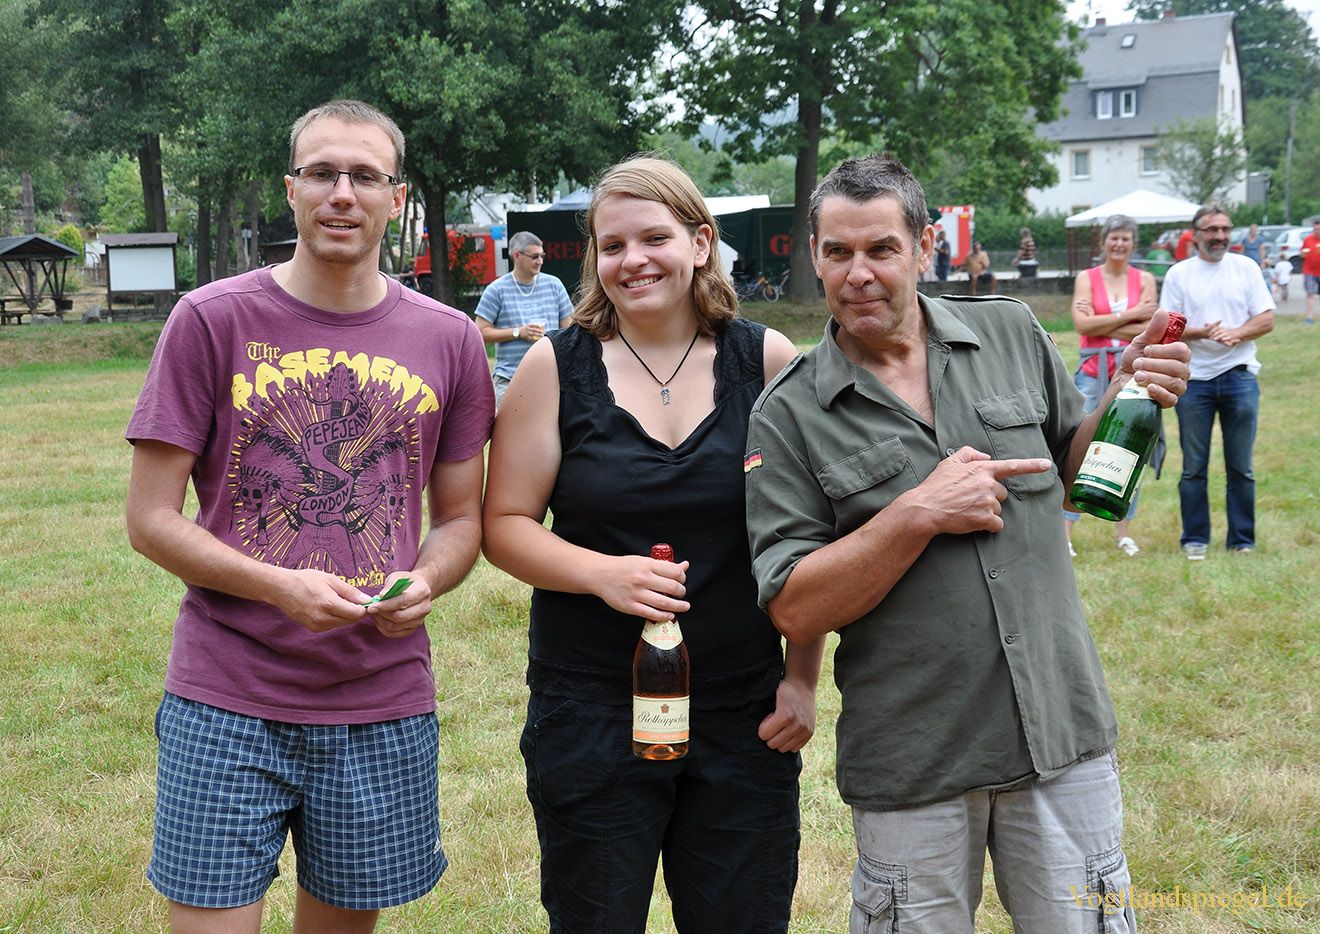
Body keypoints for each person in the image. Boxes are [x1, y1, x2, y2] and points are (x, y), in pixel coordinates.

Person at [743, 154, 1190, 934]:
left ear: (924, 247)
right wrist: (916, 512)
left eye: (881, 249)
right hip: (917, 755)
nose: (858, 273)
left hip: (1058, 730)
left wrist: (1125, 394)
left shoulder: (1010, 330)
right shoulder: (787, 413)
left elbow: (1073, 476)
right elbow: (794, 607)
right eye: (837, 252)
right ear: (813, 255)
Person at [124, 100, 495, 932]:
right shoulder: (210, 320)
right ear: (290, 190)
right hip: (225, 694)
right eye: (322, 172)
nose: (342, 193)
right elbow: (150, 519)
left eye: (365, 176)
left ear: (397, 198)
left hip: (380, 698)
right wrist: (276, 587)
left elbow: (461, 520)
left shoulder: (450, 340)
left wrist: (426, 580)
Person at [483, 155, 822, 933]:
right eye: (612, 245)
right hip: (591, 711)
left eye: (653, 238)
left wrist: (802, 680)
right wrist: (601, 574)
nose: (632, 260)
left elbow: (806, 537)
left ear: (700, 243)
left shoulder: (767, 360)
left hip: (742, 710)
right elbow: (504, 526)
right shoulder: (555, 366)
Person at [1160, 204, 1275, 558]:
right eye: (1212, 230)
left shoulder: (1246, 267)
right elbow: (1168, 328)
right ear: (1196, 235)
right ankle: (1195, 538)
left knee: (1241, 466)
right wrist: (1202, 332)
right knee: (1193, 467)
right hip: (1193, 380)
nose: (1220, 236)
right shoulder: (1179, 274)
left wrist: (1237, 333)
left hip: (1239, 376)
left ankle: (1242, 540)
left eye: (1225, 229)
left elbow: (1266, 318)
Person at [1064, 214, 1159, 557]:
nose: (1119, 244)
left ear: (1133, 243)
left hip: (1136, 375)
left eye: (1125, 238)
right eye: (1114, 238)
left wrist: (1102, 323)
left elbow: (1150, 328)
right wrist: (1130, 316)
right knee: (1080, 446)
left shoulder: (1145, 279)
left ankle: (1123, 533)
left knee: (1132, 447)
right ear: (1103, 242)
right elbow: (1081, 324)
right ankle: (1066, 535)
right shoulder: (1087, 278)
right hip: (1093, 371)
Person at [475, 231, 574, 406]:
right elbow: (479, 333)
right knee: (509, 425)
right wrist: (518, 333)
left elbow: (570, 330)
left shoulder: (554, 285)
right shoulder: (496, 289)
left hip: (551, 378)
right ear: (516, 256)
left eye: (542, 256)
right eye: (534, 256)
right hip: (509, 379)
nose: (540, 261)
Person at [1302, 217, 1320, 325]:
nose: (1316, 231)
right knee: (1310, 294)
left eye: (1318, 229)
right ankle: (1309, 318)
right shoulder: (1308, 239)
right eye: (1315, 229)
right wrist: (1303, 254)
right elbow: (1302, 253)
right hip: (1310, 271)